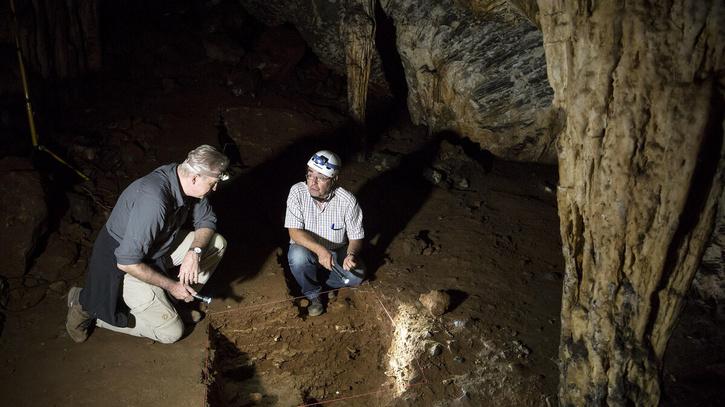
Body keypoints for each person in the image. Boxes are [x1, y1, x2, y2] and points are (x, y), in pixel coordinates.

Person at [65, 145, 230, 344]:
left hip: (155, 250)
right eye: (212, 183)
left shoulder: (185, 180)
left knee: (216, 243)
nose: (215, 189)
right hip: (123, 265)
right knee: (172, 333)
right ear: (195, 178)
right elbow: (127, 262)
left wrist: (194, 252)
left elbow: (207, 220)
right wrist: (171, 285)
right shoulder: (154, 201)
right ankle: (89, 307)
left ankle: (173, 303)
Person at [284, 149, 365, 316]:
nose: (312, 182)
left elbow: (356, 237)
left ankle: (323, 285)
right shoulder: (297, 192)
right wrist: (321, 251)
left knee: (357, 277)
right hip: (307, 250)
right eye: (310, 175)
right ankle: (313, 294)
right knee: (298, 257)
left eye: (320, 178)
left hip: (336, 250)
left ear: (334, 179)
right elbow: (294, 232)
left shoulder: (348, 201)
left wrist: (351, 254)